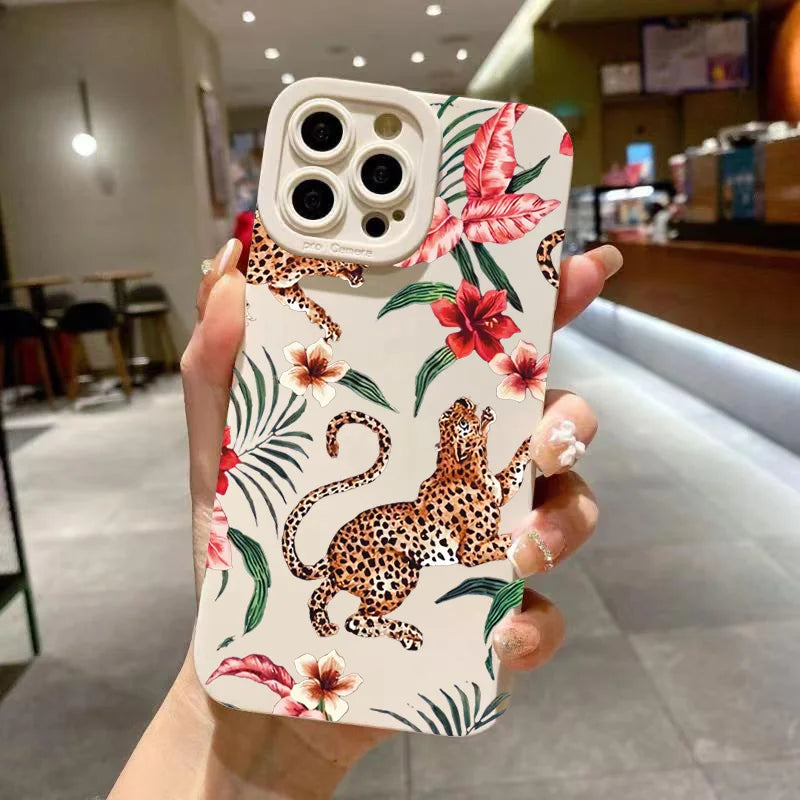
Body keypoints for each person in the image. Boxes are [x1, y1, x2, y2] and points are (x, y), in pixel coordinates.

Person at [108, 237, 622, 799]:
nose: (475, 438)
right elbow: (475, 547)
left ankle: (332, 599)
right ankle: (359, 617)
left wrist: (527, 464)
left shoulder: (467, 482)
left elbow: (487, 508)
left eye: (474, 432)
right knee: (401, 574)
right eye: (468, 435)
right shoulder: (454, 484)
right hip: (370, 554)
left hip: (360, 559)